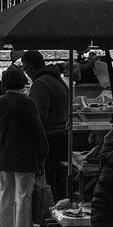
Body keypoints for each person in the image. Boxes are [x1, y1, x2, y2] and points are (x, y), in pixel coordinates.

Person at [0, 68, 47, 227]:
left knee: (4, 196)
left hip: (3, 155)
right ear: (22, 82)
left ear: (4, 83)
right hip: (24, 156)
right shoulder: (28, 102)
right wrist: (42, 153)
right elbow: (37, 131)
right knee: (23, 196)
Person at [23, 51, 71, 202]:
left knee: (49, 182)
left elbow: (38, 117)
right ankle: (59, 210)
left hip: (50, 137)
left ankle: (50, 215)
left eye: (25, 69)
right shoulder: (58, 80)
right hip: (62, 135)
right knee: (58, 180)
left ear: (30, 68)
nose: (26, 73)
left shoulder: (41, 83)